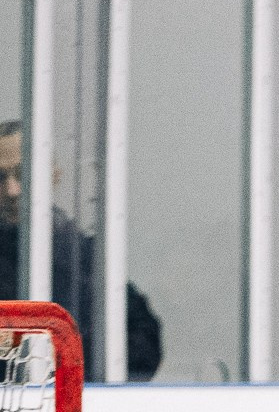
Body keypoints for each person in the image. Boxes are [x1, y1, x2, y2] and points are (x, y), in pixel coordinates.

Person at [0, 118, 162, 380]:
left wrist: (72, 364)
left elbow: (142, 340)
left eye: (22, 173)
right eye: (0, 177)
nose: (11, 190)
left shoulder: (84, 257)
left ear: (53, 175)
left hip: (79, 408)